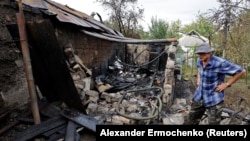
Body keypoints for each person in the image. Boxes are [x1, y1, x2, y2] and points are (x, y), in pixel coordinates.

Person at [184, 42, 246, 125]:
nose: (200, 55)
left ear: (209, 53)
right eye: (198, 53)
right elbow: (199, 68)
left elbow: (241, 71)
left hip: (213, 99)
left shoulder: (220, 63)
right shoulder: (199, 60)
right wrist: (199, 78)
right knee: (190, 122)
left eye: (202, 53)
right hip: (199, 97)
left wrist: (226, 84)